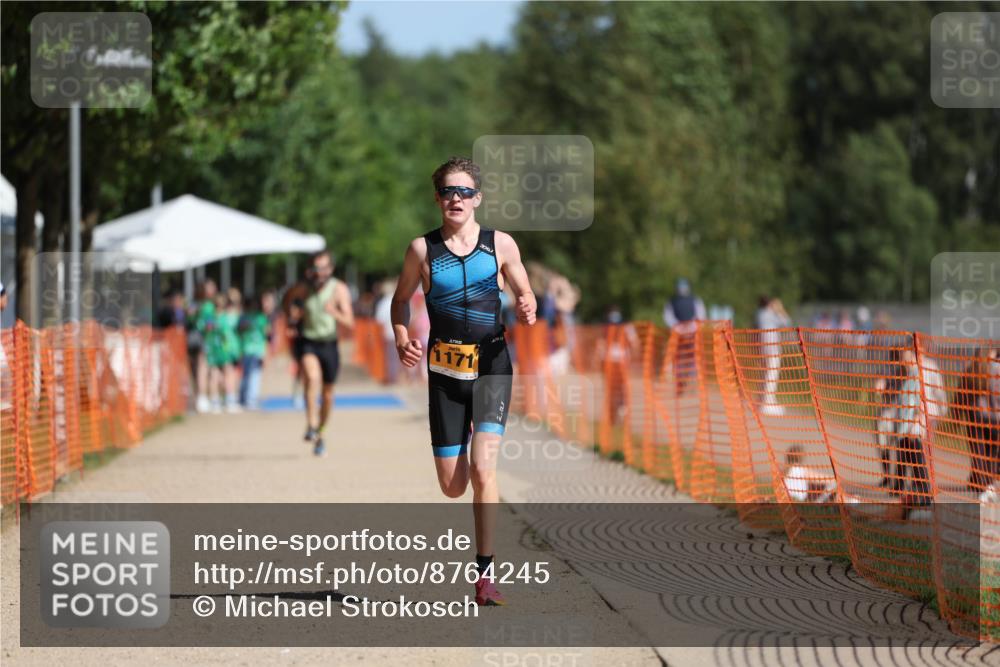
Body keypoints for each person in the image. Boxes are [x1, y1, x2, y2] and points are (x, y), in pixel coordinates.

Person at [390, 156, 536, 606]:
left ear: (478, 198)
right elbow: (399, 304)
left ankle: (485, 577)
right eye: (449, 192)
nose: (457, 199)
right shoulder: (422, 250)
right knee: (453, 486)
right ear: (437, 198)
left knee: (483, 469)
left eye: (465, 192)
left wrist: (528, 304)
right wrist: (401, 337)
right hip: (446, 374)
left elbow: (524, 290)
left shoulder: (502, 245)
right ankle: (467, 453)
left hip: (492, 366)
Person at [299, 249, 354, 456]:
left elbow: (350, 321)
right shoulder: (304, 289)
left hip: (329, 345)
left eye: (323, 268)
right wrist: (292, 317)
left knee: (328, 394)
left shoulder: (339, 289)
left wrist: (335, 312)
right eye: (315, 268)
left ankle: (320, 433)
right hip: (309, 342)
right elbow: (289, 303)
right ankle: (311, 424)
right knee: (312, 378)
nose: (319, 272)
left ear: (330, 269)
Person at [956, 346, 1000, 493]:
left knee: (978, 453)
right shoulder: (996, 370)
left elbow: (960, 396)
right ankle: (989, 484)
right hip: (995, 418)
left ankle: (982, 485)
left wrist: (957, 416)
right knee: (992, 454)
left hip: (975, 417)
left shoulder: (970, 371)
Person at [663, 277, 705, 396]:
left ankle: (691, 382)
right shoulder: (672, 302)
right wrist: (680, 328)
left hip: (691, 333)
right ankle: (680, 382)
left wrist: (690, 327)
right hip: (679, 334)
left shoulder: (695, 300)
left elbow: (700, 315)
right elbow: (668, 317)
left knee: (693, 358)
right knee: (679, 358)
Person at [754, 296, 791, 416]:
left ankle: (761, 402)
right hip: (772, 348)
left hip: (763, 349)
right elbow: (786, 322)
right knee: (771, 376)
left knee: (763, 376)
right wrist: (779, 309)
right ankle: (767, 404)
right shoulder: (770, 314)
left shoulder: (759, 314)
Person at [190, 279, 218, 414]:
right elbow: (209, 325)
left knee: (196, 369)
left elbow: (189, 318)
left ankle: (198, 398)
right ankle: (202, 397)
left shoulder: (194, 304)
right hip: (204, 339)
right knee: (203, 368)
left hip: (193, 339)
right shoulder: (208, 306)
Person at [238, 294, 270, 410]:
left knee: (251, 375)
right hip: (249, 350)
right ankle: (247, 399)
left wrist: (265, 352)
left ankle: (248, 398)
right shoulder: (250, 317)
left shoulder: (256, 317)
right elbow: (266, 334)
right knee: (250, 375)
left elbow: (266, 334)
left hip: (255, 350)